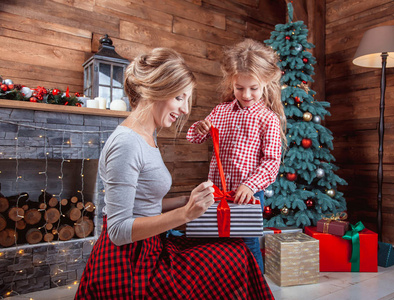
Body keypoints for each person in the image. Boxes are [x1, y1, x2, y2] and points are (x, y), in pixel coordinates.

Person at [75, 48, 274, 299]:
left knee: (236, 250)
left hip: (150, 246)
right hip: (131, 262)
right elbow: (118, 231)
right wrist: (185, 213)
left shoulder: (147, 135)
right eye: (180, 98)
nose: (184, 110)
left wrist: (185, 201)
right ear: (159, 89)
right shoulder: (127, 143)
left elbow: (142, 205)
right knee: (233, 257)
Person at [186, 39, 286, 273]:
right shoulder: (221, 111)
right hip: (218, 192)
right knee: (216, 239)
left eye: (254, 88)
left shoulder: (267, 119)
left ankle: (255, 287)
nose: (246, 94)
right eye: (240, 88)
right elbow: (195, 138)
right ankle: (224, 284)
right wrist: (200, 128)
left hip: (247, 194)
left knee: (248, 243)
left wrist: (250, 186)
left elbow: (271, 162)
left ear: (265, 84)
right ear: (232, 82)